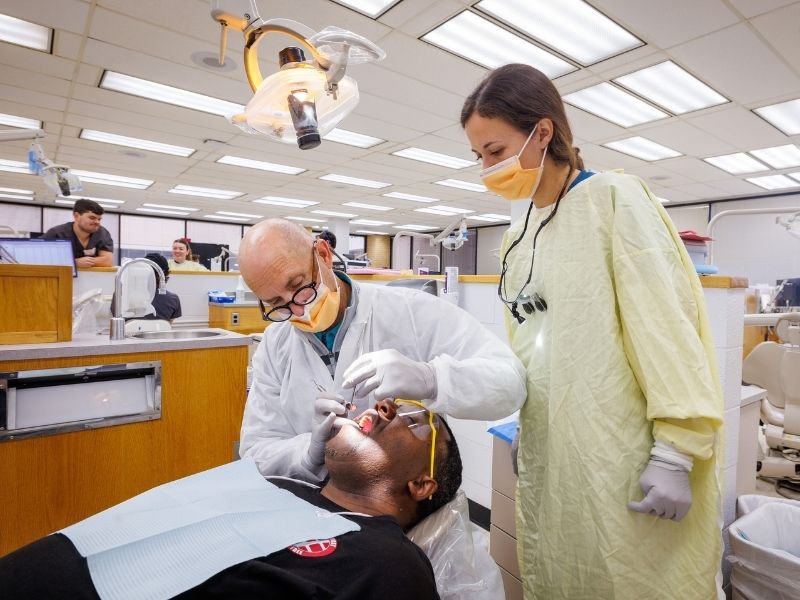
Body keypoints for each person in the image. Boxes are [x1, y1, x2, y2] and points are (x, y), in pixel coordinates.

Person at [461, 63, 724, 599]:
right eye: (478, 157)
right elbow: (534, 339)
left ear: (543, 132)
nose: (487, 168)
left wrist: (676, 451)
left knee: (629, 577)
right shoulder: (522, 231)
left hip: (622, 451)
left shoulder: (614, 200)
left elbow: (666, 330)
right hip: (556, 447)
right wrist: (525, 422)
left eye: (494, 150)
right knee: (563, 570)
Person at [0, 399, 460, 599]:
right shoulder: (274, 483)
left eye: (416, 421)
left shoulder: (388, 559)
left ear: (421, 484)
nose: (385, 407)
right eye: (394, 400)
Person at [237, 218, 525, 482]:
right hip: (317, 509)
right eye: (277, 304)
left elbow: (510, 383)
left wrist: (431, 379)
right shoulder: (275, 345)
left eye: (300, 286)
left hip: (410, 515)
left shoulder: (411, 311)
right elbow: (256, 451)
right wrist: (308, 449)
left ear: (324, 254)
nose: (298, 309)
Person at [42, 198, 113, 267]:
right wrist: (74, 263)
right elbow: (41, 259)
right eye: (92, 218)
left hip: (91, 277)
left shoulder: (102, 233)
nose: (97, 222)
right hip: (62, 277)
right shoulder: (57, 233)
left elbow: (108, 261)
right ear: (76, 216)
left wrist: (85, 262)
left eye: (99, 219)